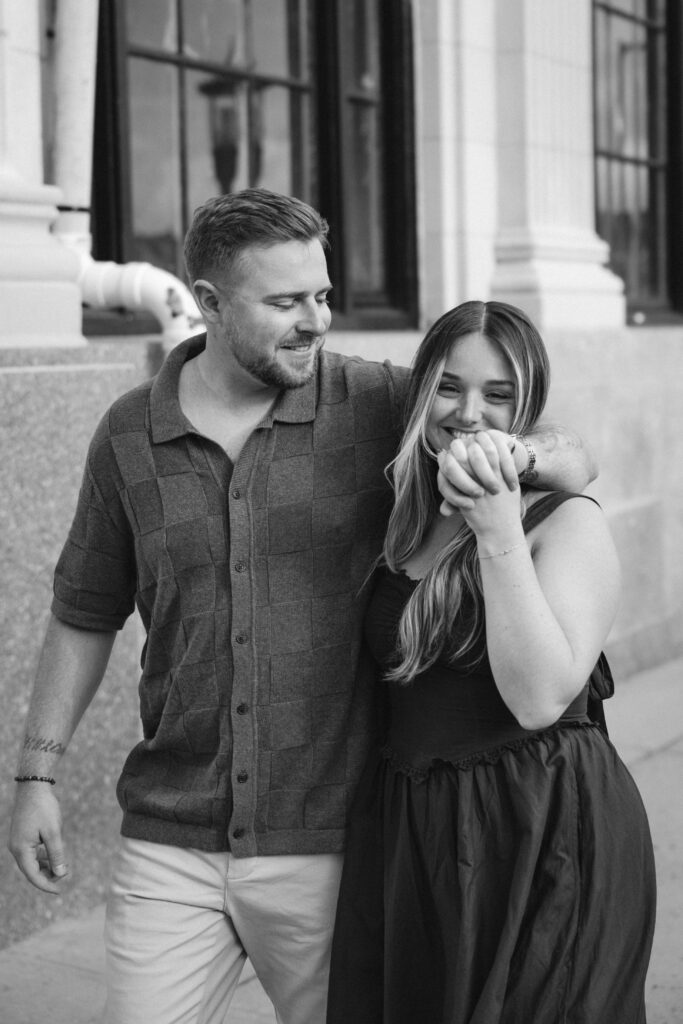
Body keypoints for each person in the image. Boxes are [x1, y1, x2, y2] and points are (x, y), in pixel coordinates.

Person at [9, 191, 597, 1024]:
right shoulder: (128, 435)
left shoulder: (376, 402)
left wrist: (519, 453)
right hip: (170, 837)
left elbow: (576, 456)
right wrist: (37, 775)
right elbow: (83, 609)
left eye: (321, 295)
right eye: (285, 302)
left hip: (336, 844)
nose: (315, 320)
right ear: (208, 304)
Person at [326, 299, 656, 1024]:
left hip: (541, 830)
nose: (469, 412)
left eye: (498, 394)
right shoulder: (406, 511)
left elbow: (539, 699)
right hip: (417, 835)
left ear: (526, 407)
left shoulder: (564, 521)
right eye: (448, 385)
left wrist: (497, 530)